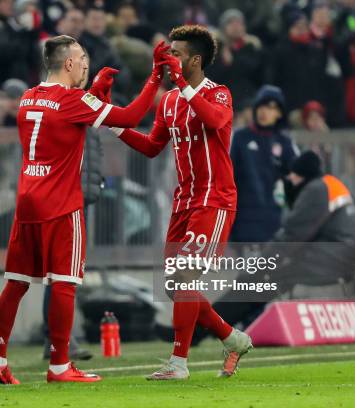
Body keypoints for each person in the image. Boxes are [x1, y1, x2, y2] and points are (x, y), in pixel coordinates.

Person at [0, 34, 170, 384]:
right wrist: (154, 77)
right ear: (69, 62)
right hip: (61, 202)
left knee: (16, 283)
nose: (87, 65)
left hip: (26, 200)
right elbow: (130, 116)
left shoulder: (28, 97)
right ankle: (59, 366)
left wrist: (94, 96)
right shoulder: (73, 100)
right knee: (65, 283)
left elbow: (68, 121)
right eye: (83, 58)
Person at [109, 25, 252, 380]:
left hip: (214, 198)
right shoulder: (170, 100)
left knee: (185, 278)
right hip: (184, 200)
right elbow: (152, 146)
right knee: (174, 285)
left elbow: (216, 120)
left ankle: (178, 363)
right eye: (167, 52)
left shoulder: (218, 93)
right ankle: (232, 338)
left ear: (196, 60)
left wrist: (184, 86)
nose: (169, 58)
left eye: (176, 53)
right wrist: (113, 123)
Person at [211, 151, 355, 328]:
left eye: (293, 174)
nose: (290, 178)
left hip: (326, 261)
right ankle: (217, 323)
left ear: (302, 175)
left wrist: (258, 267)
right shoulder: (332, 184)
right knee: (268, 279)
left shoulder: (316, 190)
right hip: (339, 258)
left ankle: (208, 325)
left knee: (262, 282)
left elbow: (291, 237)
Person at [229, 85, 298, 243]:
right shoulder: (240, 138)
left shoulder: (285, 142)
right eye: (261, 105)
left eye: (271, 107)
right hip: (243, 222)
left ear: (279, 113)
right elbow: (229, 179)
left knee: (269, 267)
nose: (264, 111)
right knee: (248, 267)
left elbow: (295, 178)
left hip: (274, 223)